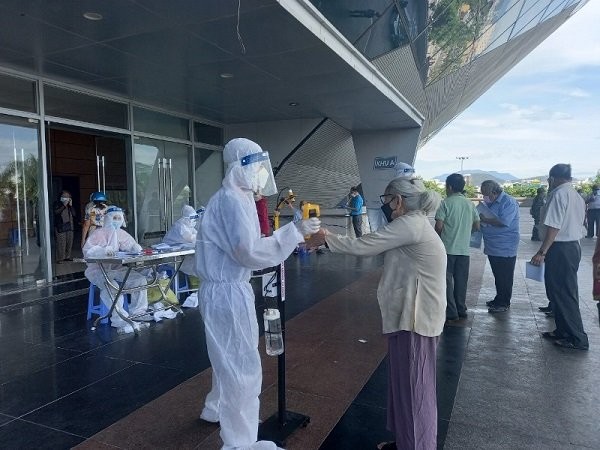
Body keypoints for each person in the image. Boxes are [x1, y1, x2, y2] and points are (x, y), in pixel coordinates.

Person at [195, 138, 320, 450]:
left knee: (227, 356)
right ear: (240, 166)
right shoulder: (232, 201)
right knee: (242, 367)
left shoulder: (237, 198)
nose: (262, 173)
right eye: (257, 166)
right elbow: (249, 251)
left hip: (226, 289)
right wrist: (294, 231)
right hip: (227, 291)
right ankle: (239, 443)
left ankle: (215, 409)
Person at [308, 177, 446, 450]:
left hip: (416, 319)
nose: (384, 205)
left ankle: (417, 445)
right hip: (409, 315)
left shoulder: (410, 224)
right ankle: (407, 441)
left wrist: (325, 239)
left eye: (385, 199)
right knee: (404, 386)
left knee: (415, 389)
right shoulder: (415, 223)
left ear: (398, 200)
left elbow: (364, 246)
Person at [531, 164, 588, 350]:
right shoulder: (576, 195)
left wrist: (542, 251)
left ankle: (577, 337)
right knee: (558, 291)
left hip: (561, 248)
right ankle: (563, 330)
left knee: (564, 292)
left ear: (553, 178)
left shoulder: (558, 194)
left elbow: (554, 226)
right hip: (571, 247)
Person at [83, 206, 152, 334]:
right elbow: (88, 251)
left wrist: (135, 247)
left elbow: (130, 244)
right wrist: (102, 251)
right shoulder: (98, 233)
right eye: (114, 218)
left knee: (140, 280)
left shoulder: (121, 233)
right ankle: (120, 319)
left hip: (117, 268)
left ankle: (138, 313)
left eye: (119, 218)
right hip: (97, 270)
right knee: (112, 287)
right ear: (108, 218)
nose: (117, 220)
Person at [435, 174, 480, 322]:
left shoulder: (445, 203)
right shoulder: (469, 204)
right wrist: (465, 234)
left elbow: (439, 226)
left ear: (449, 187)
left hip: (447, 250)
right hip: (464, 251)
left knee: (447, 281)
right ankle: (461, 308)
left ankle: (451, 311)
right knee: (461, 281)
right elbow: (477, 225)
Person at [478, 180, 520, 313]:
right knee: (498, 275)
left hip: (505, 246)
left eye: (486, 194)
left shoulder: (508, 202)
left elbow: (504, 221)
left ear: (494, 192)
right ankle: (499, 298)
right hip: (492, 245)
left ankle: (503, 303)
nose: (484, 197)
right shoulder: (490, 203)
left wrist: (485, 220)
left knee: (505, 276)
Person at [53, 190, 76, 263]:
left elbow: (74, 214)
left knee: (69, 242)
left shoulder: (69, 206)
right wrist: (64, 205)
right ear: (61, 197)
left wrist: (71, 206)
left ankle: (67, 257)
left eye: (68, 197)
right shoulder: (57, 203)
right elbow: (56, 212)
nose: (66, 198)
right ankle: (60, 259)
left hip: (70, 227)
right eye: (65, 196)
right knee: (61, 243)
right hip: (61, 226)